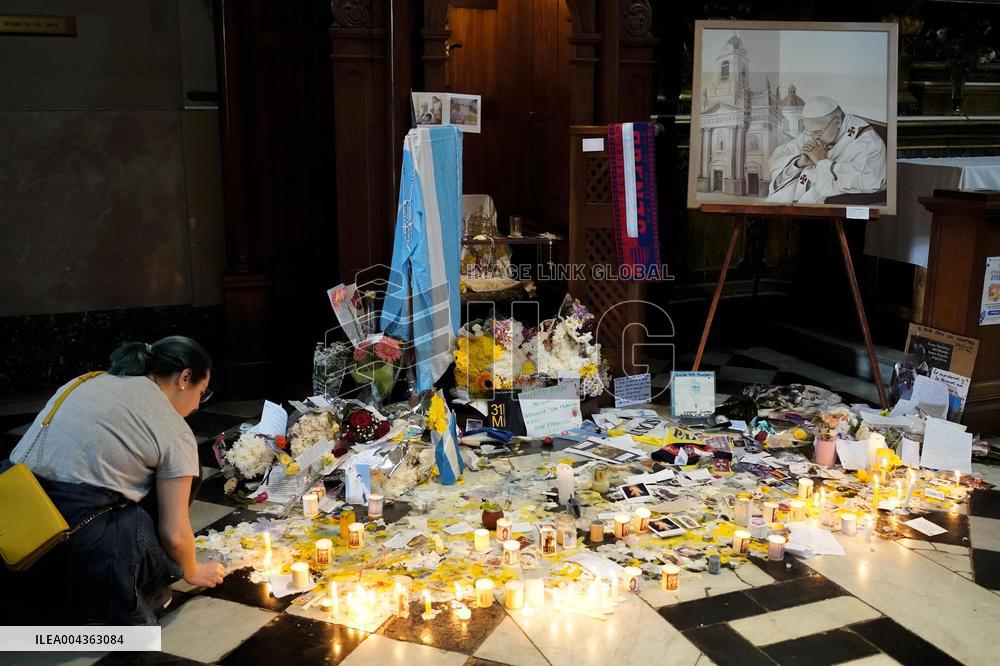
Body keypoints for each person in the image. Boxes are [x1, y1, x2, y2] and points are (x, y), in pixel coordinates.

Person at [1, 336, 225, 625]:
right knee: (181, 479)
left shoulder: (85, 380)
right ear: (184, 378)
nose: (197, 405)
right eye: (202, 392)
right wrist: (192, 570)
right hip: (70, 541)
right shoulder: (174, 431)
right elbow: (174, 531)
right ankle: (132, 583)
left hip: (11, 518)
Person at [766, 96, 886, 204]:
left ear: (837, 122)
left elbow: (870, 181)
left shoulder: (866, 141)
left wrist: (821, 162)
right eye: (810, 132)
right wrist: (798, 163)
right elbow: (777, 158)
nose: (813, 138)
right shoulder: (814, 132)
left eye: (818, 133)